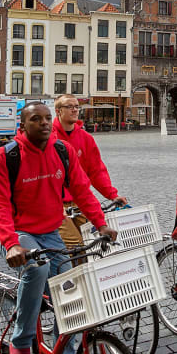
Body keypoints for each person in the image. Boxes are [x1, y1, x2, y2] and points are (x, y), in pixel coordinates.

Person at [0, 102, 117, 354]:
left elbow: (82, 189)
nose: (44, 123)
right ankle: (20, 342)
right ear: (23, 124)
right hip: (18, 234)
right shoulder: (6, 158)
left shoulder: (62, 151)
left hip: (51, 232)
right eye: (36, 119)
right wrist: (11, 243)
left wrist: (101, 223)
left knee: (69, 303)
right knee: (38, 268)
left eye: (47, 118)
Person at [51, 95, 126, 247]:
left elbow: (96, 170)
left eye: (76, 107)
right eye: (69, 106)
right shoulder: (49, 137)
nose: (74, 110)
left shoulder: (85, 138)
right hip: (56, 202)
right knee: (74, 244)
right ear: (58, 111)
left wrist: (112, 194)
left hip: (80, 199)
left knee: (91, 242)